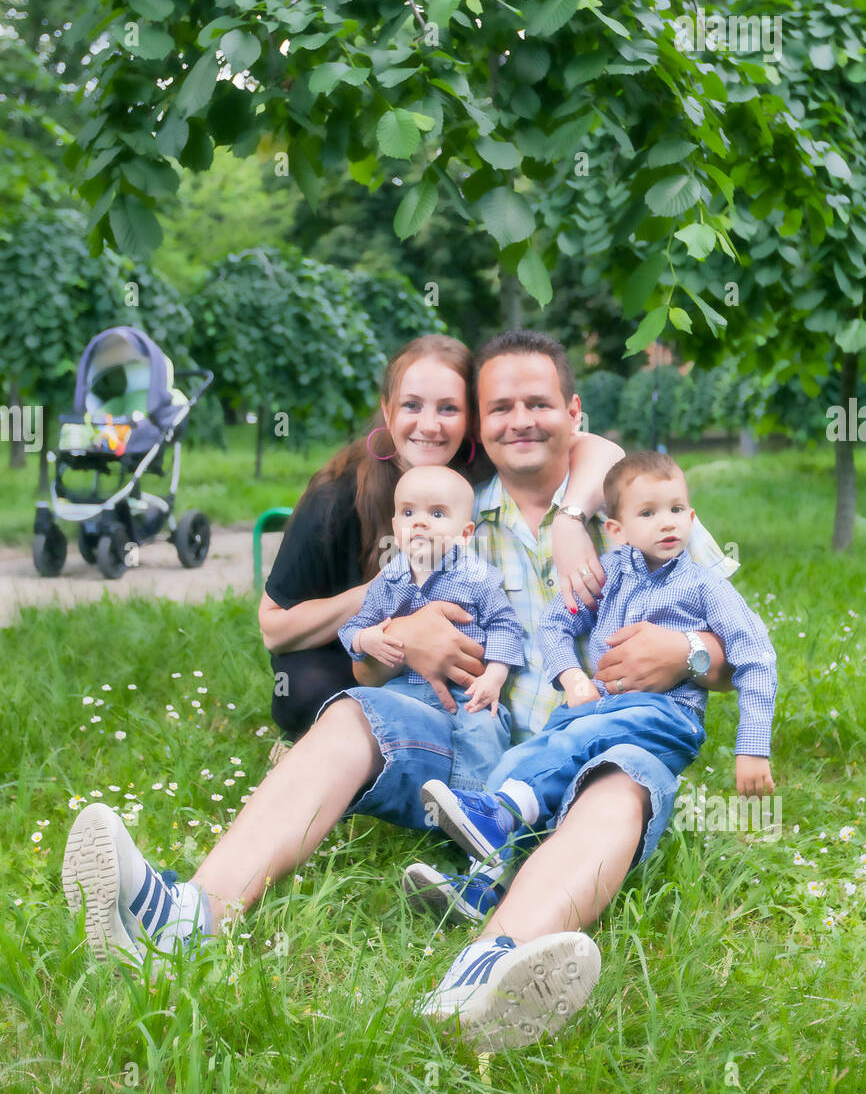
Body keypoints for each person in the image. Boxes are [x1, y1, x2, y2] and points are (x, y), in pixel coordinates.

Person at [61, 330, 731, 1052]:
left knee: (623, 779)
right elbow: (370, 651)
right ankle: (188, 919)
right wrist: (400, 638)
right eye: (499, 407)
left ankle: (487, 973)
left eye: (539, 403)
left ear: (576, 412)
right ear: (481, 425)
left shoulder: (639, 507)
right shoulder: (451, 513)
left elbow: (735, 654)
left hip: (597, 749)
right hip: (476, 760)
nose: (520, 420)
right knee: (354, 714)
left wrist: (687, 653)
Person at [419, 450, 777, 919]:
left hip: (665, 716)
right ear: (617, 530)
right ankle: (482, 884)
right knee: (524, 756)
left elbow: (758, 657)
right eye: (648, 514)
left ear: (691, 516)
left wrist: (752, 747)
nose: (666, 523)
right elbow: (553, 624)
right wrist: (572, 677)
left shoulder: (705, 586)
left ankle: (501, 813)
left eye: (675, 510)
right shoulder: (610, 575)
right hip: (596, 709)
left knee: (576, 739)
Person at [259, 334, 480, 736]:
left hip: (445, 646)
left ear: (471, 418)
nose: (429, 426)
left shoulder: (480, 479)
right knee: (308, 693)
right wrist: (379, 590)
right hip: (349, 651)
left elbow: (588, 449)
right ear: (387, 409)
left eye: (449, 409)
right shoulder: (337, 494)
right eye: (411, 405)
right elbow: (273, 629)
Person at [339, 465, 524, 791]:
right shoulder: (388, 582)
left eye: (437, 513)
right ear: (396, 527)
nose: (420, 521)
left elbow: (505, 626)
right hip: (406, 687)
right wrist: (366, 639)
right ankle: (363, 789)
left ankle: (471, 803)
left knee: (485, 727)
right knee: (360, 710)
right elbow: (354, 626)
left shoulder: (477, 577)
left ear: (465, 534)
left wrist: (494, 678)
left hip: (465, 690)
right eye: (408, 512)